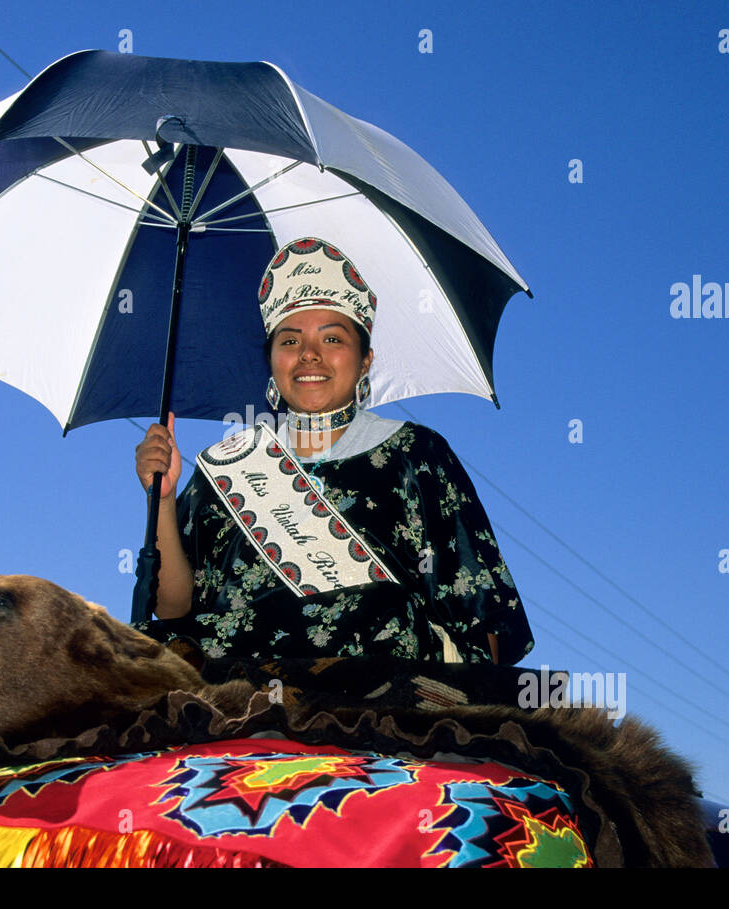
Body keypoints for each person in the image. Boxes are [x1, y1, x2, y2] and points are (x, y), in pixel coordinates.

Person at [133, 237, 533, 666]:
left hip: (383, 694)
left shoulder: (417, 454)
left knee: (377, 609)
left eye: (332, 339)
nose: (309, 355)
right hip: (238, 694)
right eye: (289, 341)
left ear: (365, 361)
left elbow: (485, 616)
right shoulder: (224, 464)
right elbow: (174, 610)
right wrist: (163, 496)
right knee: (135, 650)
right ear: (270, 359)